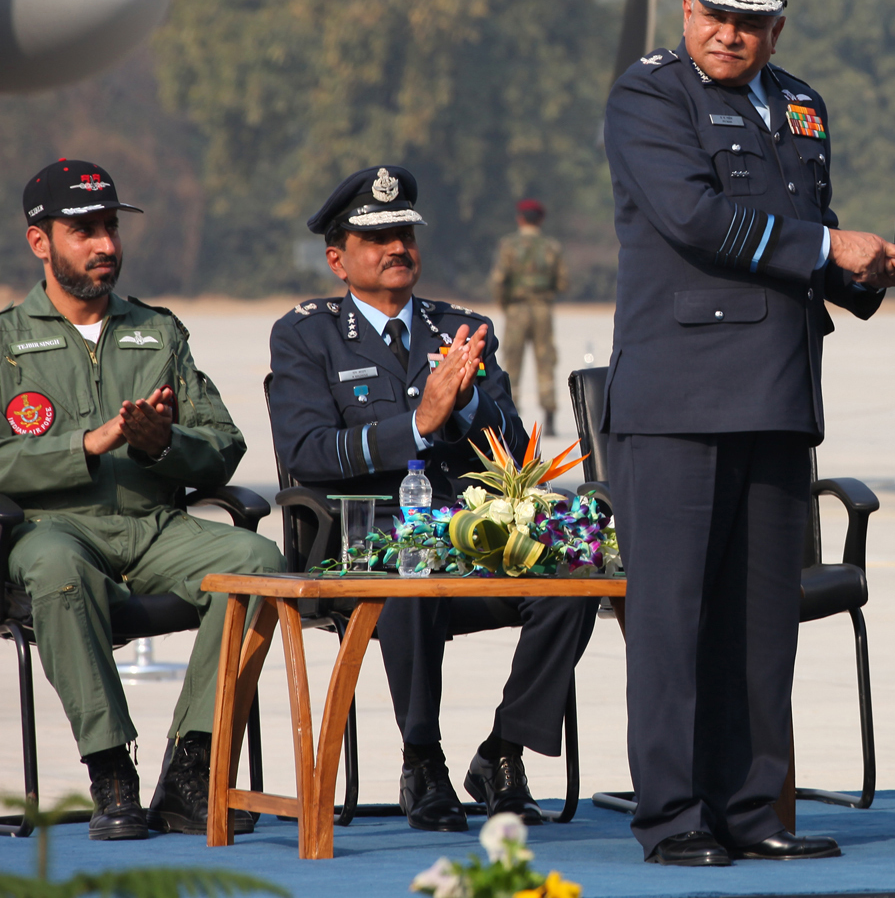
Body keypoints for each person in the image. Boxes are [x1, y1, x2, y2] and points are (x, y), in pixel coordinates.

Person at [600, 0, 895, 867]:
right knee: (674, 617)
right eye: (714, 15)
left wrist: (879, 267)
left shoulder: (804, 103)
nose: (730, 33)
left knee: (759, 619)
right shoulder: (649, 95)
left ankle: (750, 806)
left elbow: (806, 238)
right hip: (680, 396)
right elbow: (699, 219)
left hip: (778, 387)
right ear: (687, 12)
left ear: (776, 25)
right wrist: (832, 247)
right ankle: (673, 816)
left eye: (750, 21)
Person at [267, 165, 597, 832]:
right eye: (377, 237)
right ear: (338, 258)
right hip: (363, 539)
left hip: (470, 534)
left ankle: (503, 751)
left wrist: (468, 399)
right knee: (408, 572)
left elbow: (519, 454)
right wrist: (416, 423)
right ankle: (423, 759)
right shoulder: (308, 334)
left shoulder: (462, 328)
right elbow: (306, 452)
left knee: (573, 579)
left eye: (405, 234)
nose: (398, 248)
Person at [0, 159, 276, 841]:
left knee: (260, 560)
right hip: (55, 527)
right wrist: (86, 444)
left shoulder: (157, 331)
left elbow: (222, 442)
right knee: (58, 570)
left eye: (111, 227)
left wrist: (164, 443)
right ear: (41, 242)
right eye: (84, 229)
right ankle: (110, 771)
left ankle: (192, 767)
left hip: (155, 527)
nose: (105, 244)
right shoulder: (6, 342)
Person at [491, 198, 568, 434]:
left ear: (520, 218)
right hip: (542, 309)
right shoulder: (552, 246)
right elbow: (563, 282)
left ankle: (510, 412)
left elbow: (498, 280)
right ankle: (550, 415)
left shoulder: (508, 245)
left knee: (511, 361)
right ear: (541, 219)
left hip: (516, 309)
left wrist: (505, 306)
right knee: (546, 360)